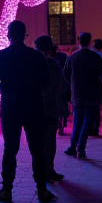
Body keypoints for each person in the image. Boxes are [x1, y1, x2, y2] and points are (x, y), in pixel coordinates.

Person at [0, 21, 56, 203]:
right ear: (25, 34)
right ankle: (42, 189)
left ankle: (7, 190)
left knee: (10, 149)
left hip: (11, 107)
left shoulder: (1, 56)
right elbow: (45, 82)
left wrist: (7, 87)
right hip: (34, 107)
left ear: (8, 35)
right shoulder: (36, 56)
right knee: (37, 149)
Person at [62, 32, 102, 159]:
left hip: (77, 94)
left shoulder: (72, 57)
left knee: (77, 122)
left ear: (78, 40)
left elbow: (65, 74)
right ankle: (81, 148)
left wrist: (72, 84)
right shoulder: (95, 57)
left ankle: (72, 146)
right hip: (92, 94)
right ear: (90, 41)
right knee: (87, 123)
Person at [35, 35, 65, 182]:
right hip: (51, 107)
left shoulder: (32, 63)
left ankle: (42, 170)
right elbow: (61, 84)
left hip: (36, 108)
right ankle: (48, 169)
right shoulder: (53, 64)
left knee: (39, 141)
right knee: (50, 141)